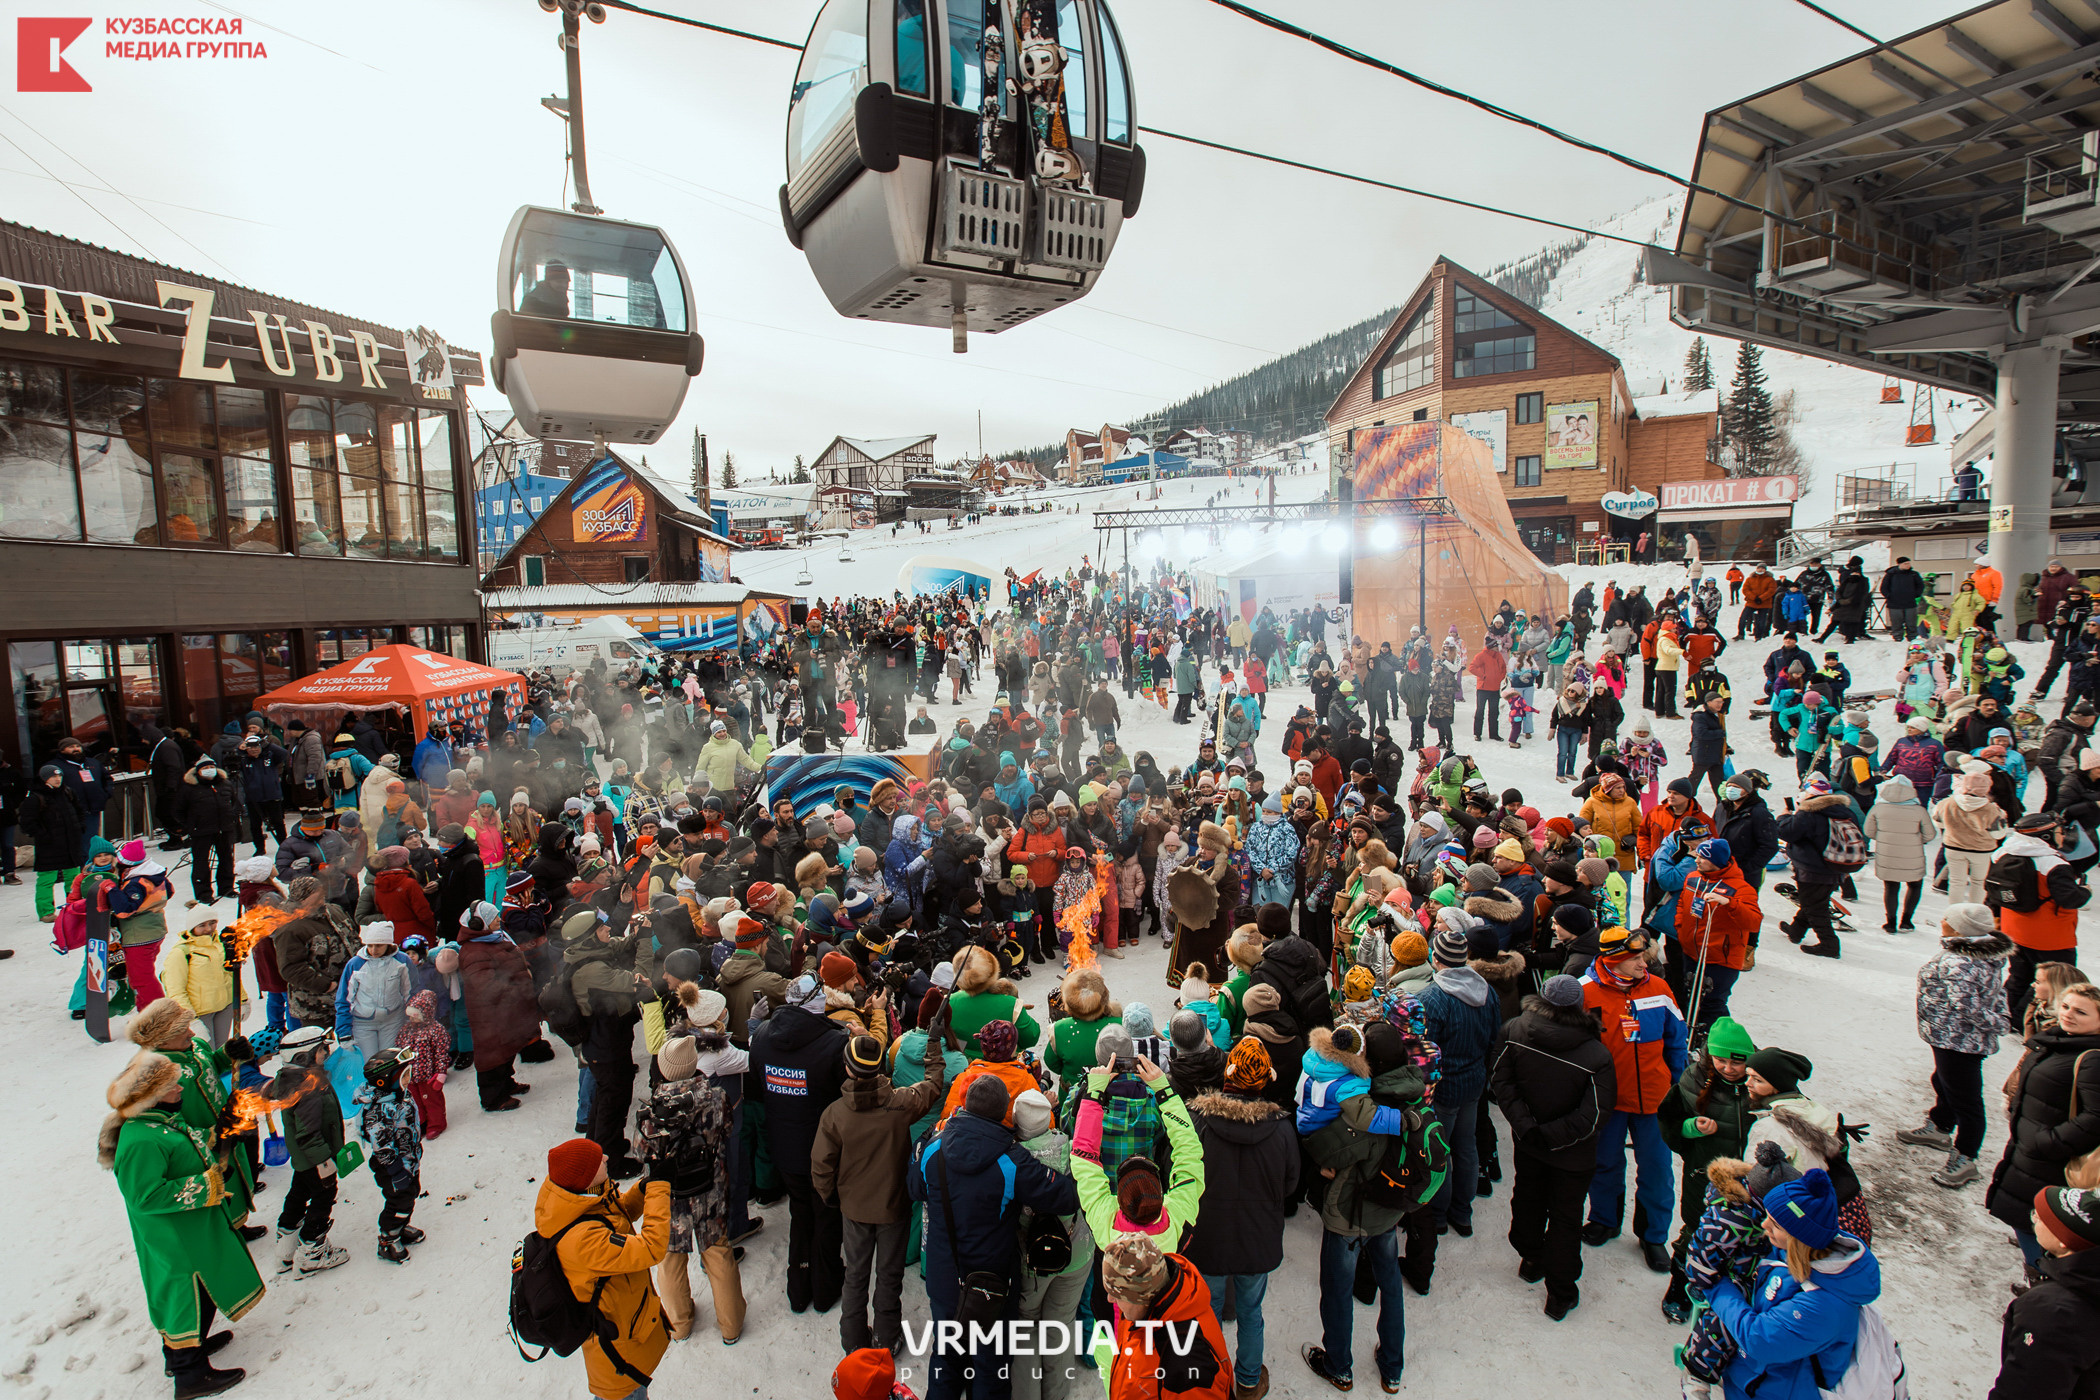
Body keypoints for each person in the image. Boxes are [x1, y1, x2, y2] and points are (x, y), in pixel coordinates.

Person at [100, 1051, 262, 1400]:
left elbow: (189, 1145)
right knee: (189, 1294)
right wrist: (209, 1186)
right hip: (176, 1238)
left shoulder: (161, 1121)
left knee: (204, 1289)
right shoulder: (141, 1139)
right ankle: (190, 1375)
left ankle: (188, 1346)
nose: (179, 1087)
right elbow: (144, 1195)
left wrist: (222, 1129)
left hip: (192, 1228)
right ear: (150, 1094)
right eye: (170, 1084)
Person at [909, 1073, 1079, 1400]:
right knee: (991, 1365)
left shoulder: (933, 1149)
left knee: (946, 1357)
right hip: (992, 1283)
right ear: (1004, 1112)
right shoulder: (1011, 1161)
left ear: (965, 1105)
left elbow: (915, 1189)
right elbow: (1064, 1196)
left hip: (945, 1274)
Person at [813, 1022, 952, 1355]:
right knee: (889, 1277)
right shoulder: (900, 1103)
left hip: (854, 1208)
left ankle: (854, 1341)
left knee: (855, 1276)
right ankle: (887, 1339)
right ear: (878, 1068)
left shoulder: (835, 1114)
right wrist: (933, 1045)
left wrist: (832, 1196)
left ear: (847, 1067)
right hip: (893, 1207)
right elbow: (934, 1084)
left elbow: (821, 1167)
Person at [1490, 973, 1616, 1320]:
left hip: (1529, 1144)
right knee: (1565, 1218)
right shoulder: (1596, 1053)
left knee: (1528, 1198)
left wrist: (1528, 1128)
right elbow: (1595, 1114)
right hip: (1573, 1156)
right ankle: (1560, 1293)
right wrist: (1551, 1135)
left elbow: (1501, 1080)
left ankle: (1531, 1258)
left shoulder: (1515, 1030)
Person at [1302, 1023, 1419, 1390]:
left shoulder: (1359, 1107)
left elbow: (1325, 1148)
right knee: (1391, 1286)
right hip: (1389, 1209)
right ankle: (1392, 1366)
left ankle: (1338, 1364)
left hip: (1348, 1212)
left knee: (1337, 1289)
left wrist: (1317, 1163)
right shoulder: (1414, 1095)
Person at [1700, 1169, 1882, 1400]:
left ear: (1799, 1240)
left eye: (1775, 1224)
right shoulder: (1795, 1253)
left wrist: (1715, 1284)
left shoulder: (1824, 1306)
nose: (1764, 1225)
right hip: (1753, 1383)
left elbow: (1758, 1338)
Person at [1186, 1037, 1298, 1400]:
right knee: (1251, 1311)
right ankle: (1248, 1379)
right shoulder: (1281, 1128)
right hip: (1258, 1238)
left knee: (1209, 1309)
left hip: (1208, 1237)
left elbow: (1180, 1171)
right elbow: (1291, 1182)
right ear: (1266, 1079)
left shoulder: (1198, 1122)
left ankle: (1213, 1378)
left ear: (1228, 1075)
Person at [1581, 926, 1688, 1271]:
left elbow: (1676, 1041)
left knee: (1657, 1171)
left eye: (1644, 955)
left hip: (1655, 1101)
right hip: (1609, 1100)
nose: (1645, 962)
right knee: (1605, 1163)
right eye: (1636, 958)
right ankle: (1604, 1219)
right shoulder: (1585, 993)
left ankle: (1653, 1236)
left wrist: (1676, 1086)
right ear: (1615, 960)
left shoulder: (1658, 988)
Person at [536, 1137, 674, 1400]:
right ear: (585, 1178)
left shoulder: (578, 1198)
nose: (607, 1158)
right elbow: (651, 1248)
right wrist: (659, 1189)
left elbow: (616, 1218)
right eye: (598, 1160)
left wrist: (644, 1188)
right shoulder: (582, 1240)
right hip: (617, 1358)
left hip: (623, 1335)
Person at [634, 1033, 747, 1344]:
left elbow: (641, 1152)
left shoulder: (651, 1112)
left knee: (670, 1257)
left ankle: (679, 1323)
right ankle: (731, 1324)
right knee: (717, 1251)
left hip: (669, 1196)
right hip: (709, 1186)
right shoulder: (716, 1097)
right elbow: (726, 1130)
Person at [752, 974, 852, 1314]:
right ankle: (824, 1289)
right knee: (826, 1216)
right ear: (815, 1003)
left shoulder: (763, 1035)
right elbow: (848, 1097)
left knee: (801, 1213)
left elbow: (756, 1086)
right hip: (825, 1151)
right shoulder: (835, 1043)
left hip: (785, 1146)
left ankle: (799, 1287)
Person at [1989, 980, 2100, 1276]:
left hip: (2050, 1160)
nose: (2068, 1014)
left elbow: (2096, 1118)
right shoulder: (2059, 1041)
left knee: (2039, 1222)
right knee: (2029, 1220)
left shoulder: (2092, 1057)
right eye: (2065, 1006)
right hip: (2029, 1151)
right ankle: (2038, 1276)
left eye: (2081, 1012)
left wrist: (2046, 1143)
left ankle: (2043, 1281)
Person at [1657, 1016, 1757, 1323]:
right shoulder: (1694, 1079)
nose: (1728, 1068)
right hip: (1704, 1175)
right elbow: (1669, 1121)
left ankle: (1724, 1290)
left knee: (1743, 1238)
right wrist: (1691, 1128)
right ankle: (1680, 1286)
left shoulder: (1759, 1082)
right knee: (1698, 1232)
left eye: (1736, 1062)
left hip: (1750, 1181)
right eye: (1720, 1060)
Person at [1989, 1185, 2100, 1399]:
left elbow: (2024, 1392)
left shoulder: (2052, 1313)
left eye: (2040, 1218)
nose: (2033, 1220)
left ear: (2064, 1241)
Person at [1099, 1236, 1234, 1400]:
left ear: (1141, 1297)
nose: (1110, 1299)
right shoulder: (1143, 1310)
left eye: (1117, 1294)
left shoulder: (1187, 1370)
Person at [1994, 811, 2094, 1026]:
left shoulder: (2004, 852)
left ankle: (2006, 1014)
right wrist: (2085, 890)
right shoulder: (2053, 864)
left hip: (2014, 929)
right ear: (2045, 836)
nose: (2063, 836)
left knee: (2020, 975)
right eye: (2059, 831)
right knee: (2053, 981)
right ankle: (2025, 1020)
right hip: (2050, 936)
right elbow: (2069, 899)